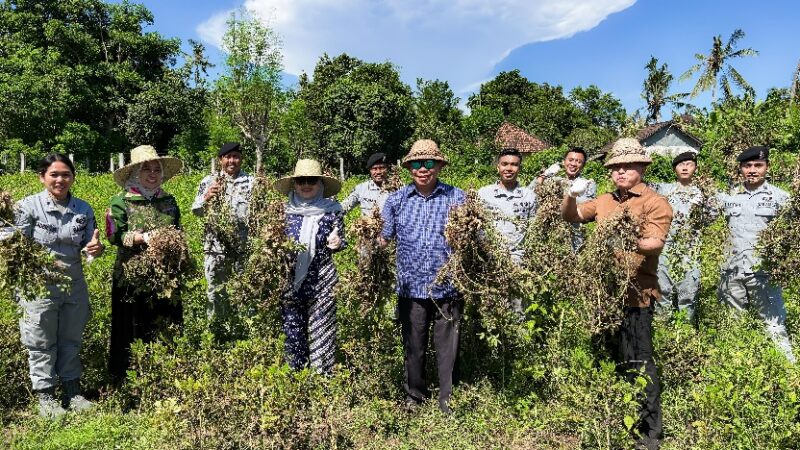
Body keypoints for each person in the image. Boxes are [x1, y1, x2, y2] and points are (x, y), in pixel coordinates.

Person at [561, 138, 672, 449]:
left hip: (637, 294)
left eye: (628, 166)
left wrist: (622, 239)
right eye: (615, 167)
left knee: (640, 361)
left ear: (642, 167)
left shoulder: (654, 202)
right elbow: (572, 216)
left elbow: (655, 243)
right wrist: (570, 196)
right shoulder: (605, 201)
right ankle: (614, 413)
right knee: (611, 356)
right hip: (604, 294)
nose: (621, 171)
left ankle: (649, 433)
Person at [8, 154, 104, 417]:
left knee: (71, 340)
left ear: (73, 177)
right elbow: (8, 239)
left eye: (66, 174)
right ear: (42, 177)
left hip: (73, 284)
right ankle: (46, 397)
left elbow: (90, 248)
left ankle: (73, 393)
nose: (60, 179)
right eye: (54, 174)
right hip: (38, 286)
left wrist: (95, 249)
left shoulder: (83, 209)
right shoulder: (27, 207)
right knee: (40, 341)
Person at [381, 139, 465, 414]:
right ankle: (414, 397)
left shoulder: (457, 197)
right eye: (417, 163)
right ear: (409, 168)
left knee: (447, 349)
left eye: (429, 163)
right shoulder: (395, 200)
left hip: (448, 285)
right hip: (410, 286)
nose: (423, 169)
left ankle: (446, 400)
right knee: (413, 346)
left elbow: (473, 237)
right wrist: (368, 237)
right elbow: (384, 237)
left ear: (439, 166)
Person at [106, 145, 184, 382]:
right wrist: (141, 238)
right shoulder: (120, 202)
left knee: (164, 321)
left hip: (165, 275)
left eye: (156, 169)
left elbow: (177, 229)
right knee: (130, 324)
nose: (152, 174)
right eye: (146, 169)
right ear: (135, 173)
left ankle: (164, 375)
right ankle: (127, 379)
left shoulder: (169, 201)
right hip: (131, 274)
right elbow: (113, 235)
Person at [717, 146, 795, 363]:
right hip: (731, 271)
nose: (752, 170)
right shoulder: (728, 196)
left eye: (757, 165)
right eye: (747, 166)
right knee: (732, 326)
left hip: (763, 273)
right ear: (741, 169)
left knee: (774, 325)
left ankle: (789, 371)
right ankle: (734, 370)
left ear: (767, 167)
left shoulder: (781, 198)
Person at [273, 159, 345, 375]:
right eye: (301, 180)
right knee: (293, 332)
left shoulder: (333, 210)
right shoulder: (282, 212)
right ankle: (297, 379)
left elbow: (341, 239)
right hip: (290, 282)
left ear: (320, 184)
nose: (306, 185)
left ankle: (322, 381)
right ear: (294, 184)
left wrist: (338, 242)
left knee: (322, 331)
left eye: (311, 180)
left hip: (322, 281)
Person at [191, 142, 254, 329]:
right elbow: (196, 210)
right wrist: (206, 198)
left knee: (244, 289)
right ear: (221, 160)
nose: (232, 161)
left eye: (235, 156)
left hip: (242, 248)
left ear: (241, 159)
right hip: (214, 248)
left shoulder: (251, 182)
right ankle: (215, 330)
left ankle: (244, 329)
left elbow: (259, 215)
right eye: (228, 157)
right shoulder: (208, 181)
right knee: (215, 289)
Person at [477, 147, 536, 313]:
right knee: (490, 309)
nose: (509, 168)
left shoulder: (528, 195)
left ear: (519, 168)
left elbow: (533, 228)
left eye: (514, 164)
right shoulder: (484, 194)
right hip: (490, 261)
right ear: (498, 167)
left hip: (518, 262)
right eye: (505, 164)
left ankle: (517, 339)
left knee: (517, 311)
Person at [654, 151, 708, 322]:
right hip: (666, 248)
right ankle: (663, 329)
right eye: (680, 164)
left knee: (688, 291)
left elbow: (713, 218)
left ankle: (686, 330)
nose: (685, 167)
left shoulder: (703, 192)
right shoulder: (664, 189)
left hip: (691, 249)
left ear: (696, 168)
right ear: (674, 169)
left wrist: (704, 205)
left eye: (689, 164)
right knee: (663, 290)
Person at [534, 146, 596, 250]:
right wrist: (545, 175)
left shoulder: (586, 183)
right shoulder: (554, 180)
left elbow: (586, 207)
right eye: (570, 160)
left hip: (574, 236)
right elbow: (532, 192)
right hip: (550, 235)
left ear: (583, 165)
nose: (573, 164)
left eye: (578, 161)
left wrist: (565, 196)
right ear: (564, 162)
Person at [340, 152, 391, 217]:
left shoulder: (397, 188)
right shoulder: (361, 188)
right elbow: (345, 206)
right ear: (370, 170)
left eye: (382, 168)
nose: (378, 172)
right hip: (368, 225)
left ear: (387, 169)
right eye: (374, 169)